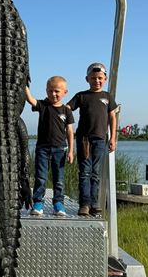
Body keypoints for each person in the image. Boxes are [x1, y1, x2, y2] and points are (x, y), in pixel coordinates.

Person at [67, 63, 117, 217]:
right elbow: (67, 108)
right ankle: (84, 204)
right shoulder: (81, 96)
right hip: (84, 140)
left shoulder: (107, 97)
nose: (97, 81)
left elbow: (112, 117)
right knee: (85, 172)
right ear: (87, 79)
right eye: (93, 78)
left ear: (105, 79)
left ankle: (94, 204)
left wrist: (113, 138)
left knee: (96, 173)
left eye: (100, 78)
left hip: (101, 139)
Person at [25, 76, 74, 217]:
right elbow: (31, 100)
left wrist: (71, 151)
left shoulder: (66, 110)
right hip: (43, 148)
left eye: (57, 91)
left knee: (59, 179)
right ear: (46, 91)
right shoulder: (43, 105)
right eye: (50, 91)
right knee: (41, 177)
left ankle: (58, 203)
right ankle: (38, 203)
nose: (53, 94)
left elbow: (70, 131)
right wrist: (24, 85)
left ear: (65, 92)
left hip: (60, 149)